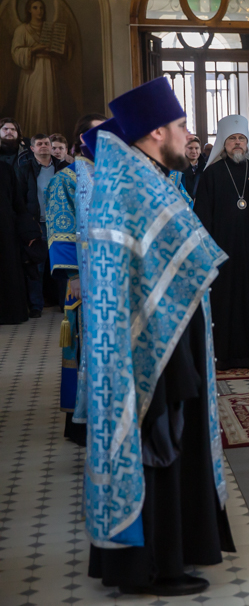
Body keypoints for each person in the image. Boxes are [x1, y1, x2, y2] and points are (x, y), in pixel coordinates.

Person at [87, 76, 234, 596]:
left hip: (161, 338)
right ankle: (156, 566)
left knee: (165, 447)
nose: (187, 134)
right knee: (158, 449)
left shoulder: (140, 177)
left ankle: (166, 556)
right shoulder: (136, 185)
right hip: (154, 344)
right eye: (180, 125)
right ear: (155, 132)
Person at [44, 114, 112, 447]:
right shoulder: (66, 180)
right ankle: (82, 421)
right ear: (81, 139)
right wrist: (73, 276)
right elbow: (59, 227)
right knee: (85, 344)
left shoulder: (114, 177)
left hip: (115, 276)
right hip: (83, 278)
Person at [194, 114, 249, 371]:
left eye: (241, 138)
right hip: (222, 249)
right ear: (223, 143)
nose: (238, 143)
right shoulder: (212, 174)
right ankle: (225, 355)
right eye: (232, 139)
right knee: (224, 300)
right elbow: (202, 215)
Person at [16, 133, 64, 316]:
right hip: (37, 225)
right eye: (39, 144)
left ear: (52, 147)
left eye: (46, 143)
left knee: (61, 266)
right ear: (32, 148)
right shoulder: (25, 169)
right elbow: (20, 201)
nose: (44, 146)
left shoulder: (63, 168)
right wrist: (28, 228)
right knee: (36, 268)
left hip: (60, 225)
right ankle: (36, 306)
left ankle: (64, 303)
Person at [0, 145, 39, 324]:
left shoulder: (5, 169)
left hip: (5, 231)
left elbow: (18, 203)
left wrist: (28, 232)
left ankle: (9, 314)